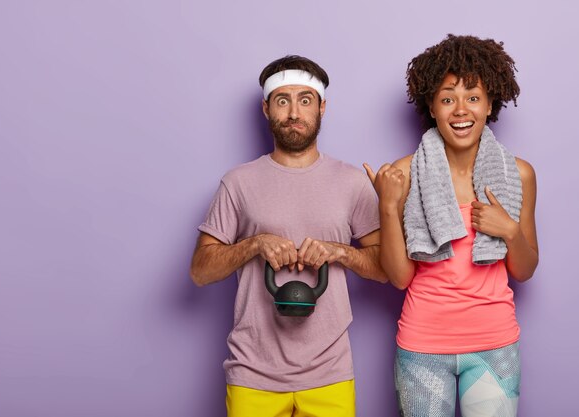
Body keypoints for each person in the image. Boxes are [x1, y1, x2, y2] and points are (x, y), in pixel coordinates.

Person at [190, 55, 386, 417]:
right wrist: (253, 244)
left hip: (330, 372)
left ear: (322, 107)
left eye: (305, 100)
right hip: (252, 371)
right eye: (283, 100)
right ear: (266, 108)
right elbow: (200, 271)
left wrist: (339, 253)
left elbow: (385, 268)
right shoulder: (238, 183)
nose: (294, 112)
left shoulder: (352, 183)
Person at [364, 34, 539, 417]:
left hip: (495, 343)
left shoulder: (518, 174)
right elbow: (399, 278)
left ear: (491, 102)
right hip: (422, 344)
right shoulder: (403, 175)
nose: (461, 110)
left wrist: (509, 230)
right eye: (447, 99)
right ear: (432, 105)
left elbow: (524, 270)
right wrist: (388, 206)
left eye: (473, 97)